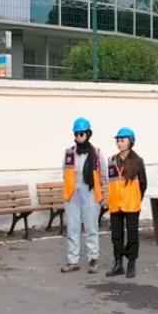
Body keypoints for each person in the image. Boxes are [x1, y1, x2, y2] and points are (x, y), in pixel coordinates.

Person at [62, 117, 106, 273]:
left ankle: (93, 259)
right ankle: (73, 260)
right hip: (73, 195)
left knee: (91, 228)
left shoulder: (97, 154)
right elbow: (65, 174)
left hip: (90, 193)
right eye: (77, 133)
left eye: (82, 133)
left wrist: (103, 198)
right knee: (72, 228)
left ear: (88, 134)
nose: (79, 136)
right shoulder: (69, 153)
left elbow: (104, 177)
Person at [105, 127, 146, 279]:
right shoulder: (111, 160)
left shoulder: (138, 161)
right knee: (116, 236)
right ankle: (118, 264)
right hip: (115, 204)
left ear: (130, 142)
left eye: (122, 140)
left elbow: (143, 184)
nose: (119, 142)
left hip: (131, 204)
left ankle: (131, 264)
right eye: (118, 140)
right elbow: (110, 182)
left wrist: (135, 198)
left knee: (132, 235)